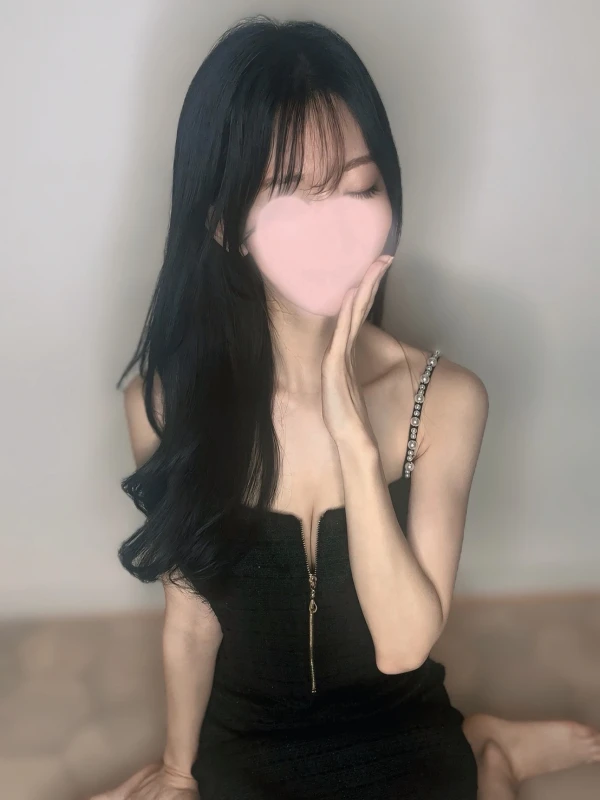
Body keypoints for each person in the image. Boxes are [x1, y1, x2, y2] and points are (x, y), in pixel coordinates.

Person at [92, 15, 600, 800]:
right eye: (293, 198)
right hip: (251, 743)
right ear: (225, 224)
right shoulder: (163, 407)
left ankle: (486, 751)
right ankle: (490, 748)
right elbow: (192, 619)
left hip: (399, 728)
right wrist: (179, 771)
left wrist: (351, 433)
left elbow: (402, 646)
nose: (334, 229)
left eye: (361, 188)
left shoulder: (445, 401)